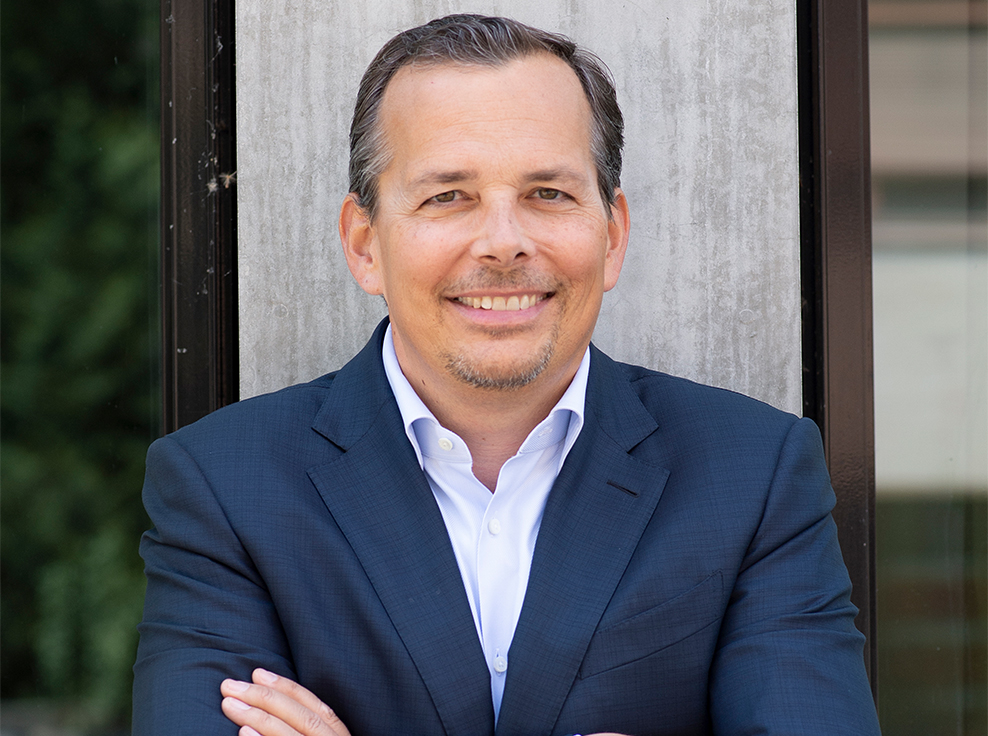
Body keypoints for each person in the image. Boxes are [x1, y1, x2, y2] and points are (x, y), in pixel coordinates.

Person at [133, 14, 881, 736]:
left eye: (546, 194)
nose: (502, 243)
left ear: (612, 235)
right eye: (447, 196)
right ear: (364, 244)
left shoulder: (752, 473)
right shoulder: (224, 486)